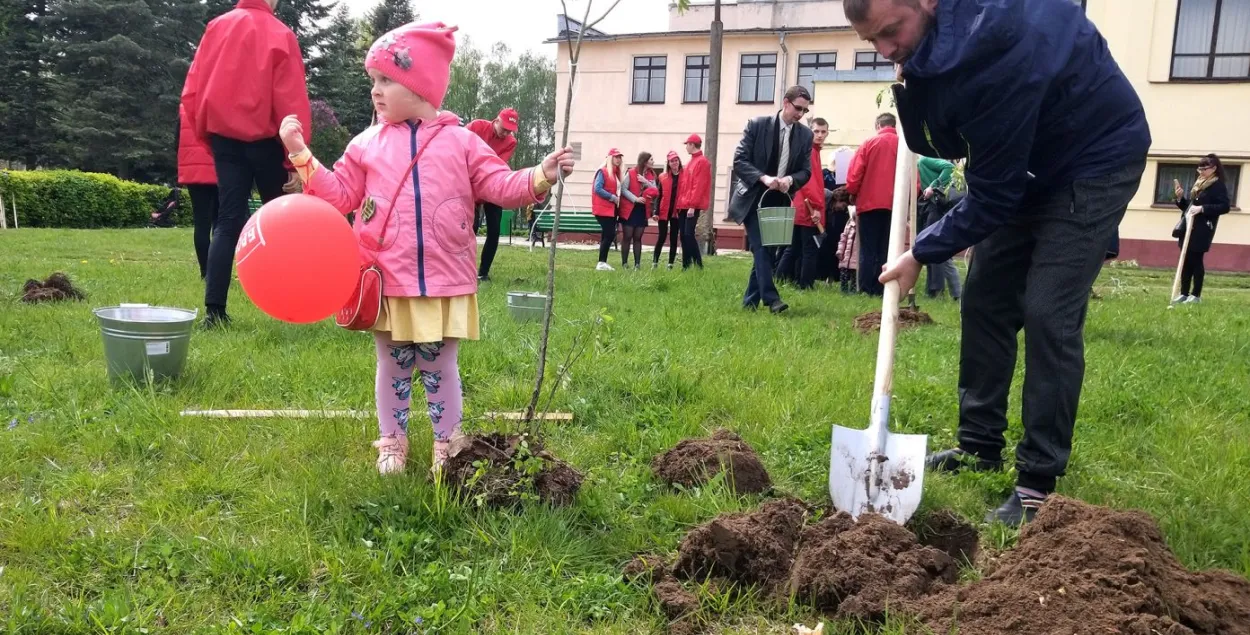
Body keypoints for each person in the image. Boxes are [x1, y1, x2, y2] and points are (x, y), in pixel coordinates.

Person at [846, 0, 1151, 523]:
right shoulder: (946, 36)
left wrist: (921, 251)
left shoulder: (1003, 39)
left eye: (891, 33)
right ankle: (979, 445)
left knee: (1047, 311)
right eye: (872, 41)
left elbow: (992, 196)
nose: (885, 50)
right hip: (1028, 162)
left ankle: (1037, 483)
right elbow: (951, 139)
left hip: (1094, 159)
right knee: (985, 298)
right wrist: (911, 76)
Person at [278, 22, 574, 475]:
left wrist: (541, 174)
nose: (376, 91)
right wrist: (302, 155)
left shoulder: (462, 143)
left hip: (443, 280)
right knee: (392, 364)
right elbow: (339, 196)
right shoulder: (365, 145)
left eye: (386, 80)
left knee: (440, 366)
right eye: (372, 80)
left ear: (419, 86)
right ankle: (392, 443)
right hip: (387, 278)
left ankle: (448, 446)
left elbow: (500, 184)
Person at [181, 0, 311, 329]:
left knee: (227, 222)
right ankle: (288, 302)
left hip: (225, 139)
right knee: (282, 224)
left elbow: (193, 90)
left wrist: (207, 136)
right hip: (269, 142)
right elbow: (291, 99)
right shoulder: (281, 34)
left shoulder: (217, 27)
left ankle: (214, 311)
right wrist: (295, 157)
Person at [727, 85, 815, 313]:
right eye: (798, 108)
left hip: (780, 200)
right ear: (785, 102)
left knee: (767, 251)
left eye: (805, 111)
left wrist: (789, 180)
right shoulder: (757, 125)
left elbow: (806, 171)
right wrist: (763, 178)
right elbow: (740, 161)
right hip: (753, 198)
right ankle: (771, 298)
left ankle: (749, 304)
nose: (800, 114)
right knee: (761, 246)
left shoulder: (805, 136)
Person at [845, 113, 900, 297]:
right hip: (895, 206)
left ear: (878, 125)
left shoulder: (868, 144)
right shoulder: (904, 146)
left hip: (869, 204)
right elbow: (913, 179)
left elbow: (854, 175)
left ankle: (867, 288)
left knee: (868, 248)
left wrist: (852, 192)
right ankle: (883, 287)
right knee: (887, 247)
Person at [776, 117, 830, 290]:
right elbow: (810, 183)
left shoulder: (808, 150)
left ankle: (779, 279)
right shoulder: (811, 152)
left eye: (823, 132)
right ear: (810, 131)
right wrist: (816, 208)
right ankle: (805, 285)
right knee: (808, 249)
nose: (820, 135)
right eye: (816, 131)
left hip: (798, 206)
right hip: (806, 207)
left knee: (793, 248)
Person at [466, 107, 520, 282]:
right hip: (470, 184)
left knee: (494, 230)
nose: (506, 133)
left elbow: (497, 164)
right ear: (496, 120)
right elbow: (459, 147)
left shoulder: (511, 142)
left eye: (509, 131)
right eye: (504, 128)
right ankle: (464, 270)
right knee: (469, 229)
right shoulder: (476, 127)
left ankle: (483, 272)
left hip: (493, 185)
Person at [1173, 154, 1231, 304]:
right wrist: (1180, 199)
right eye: (1200, 168)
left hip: (1203, 229)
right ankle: (1184, 293)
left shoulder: (1217, 185)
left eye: (1205, 169)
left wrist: (1203, 209)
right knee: (1186, 260)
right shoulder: (1199, 183)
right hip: (1188, 227)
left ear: (1214, 169)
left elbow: (1224, 207)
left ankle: (1196, 295)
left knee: (1196, 260)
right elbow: (1190, 207)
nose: (1201, 172)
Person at [174, 105, 220, 278]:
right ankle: (218, 271)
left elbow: (176, 140)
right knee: (221, 224)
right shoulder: (219, 102)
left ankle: (204, 272)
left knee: (201, 223)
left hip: (193, 172)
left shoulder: (185, 108)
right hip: (220, 169)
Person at [917, 156, 959, 300]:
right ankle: (932, 289)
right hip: (927, 207)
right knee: (926, 244)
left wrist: (933, 186)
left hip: (935, 206)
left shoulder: (923, 161)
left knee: (933, 244)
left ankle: (937, 290)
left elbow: (949, 167)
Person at [676, 134, 711, 270]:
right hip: (684, 204)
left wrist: (692, 206)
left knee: (688, 234)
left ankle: (698, 264)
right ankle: (686, 264)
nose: (686, 147)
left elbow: (699, 185)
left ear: (692, 144)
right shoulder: (691, 162)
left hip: (691, 205)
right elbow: (685, 186)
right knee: (684, 235)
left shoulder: (702, 162)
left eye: (687, 144)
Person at [621, 152, 659, 270]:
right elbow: (623, 189)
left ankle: (637, 264)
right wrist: (635, 199)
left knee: (638, 237)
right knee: (627, 236)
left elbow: (655, 191)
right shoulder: (631, 172)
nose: (653, 162)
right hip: (630, 209)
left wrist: (645, 181)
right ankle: (625, 263)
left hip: (642, 209)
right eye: (651, 159)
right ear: (645, 161)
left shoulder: (652, 175)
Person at [591, 148, 625, 271]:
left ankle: (602, 262)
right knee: (610, 234)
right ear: (610, 158)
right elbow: (598, 188)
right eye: (616, 157)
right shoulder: (603, 171)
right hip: (603, 209)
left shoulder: (616, 173)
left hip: (611, 209)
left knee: (607, 234)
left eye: (620, 157)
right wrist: (612, 197)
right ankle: (601, 263)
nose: (619, 159)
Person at [653, 151, 683, 269]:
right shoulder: (662, 177)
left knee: (674, 238)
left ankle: (670, 263)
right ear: (668, 163)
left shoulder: (684, 176)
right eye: (672, 161)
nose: (674, 163)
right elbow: (658, 195)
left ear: (679, 161)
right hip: (664, 211)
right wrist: (656, 211)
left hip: (677, 212)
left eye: (676, 160)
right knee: (662, 236)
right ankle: (654, 262)